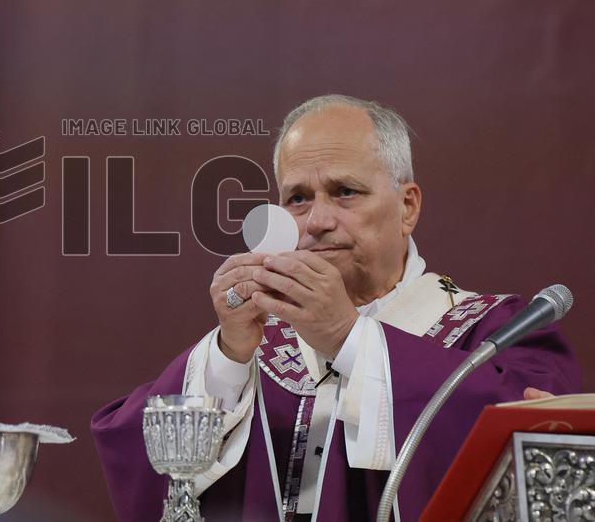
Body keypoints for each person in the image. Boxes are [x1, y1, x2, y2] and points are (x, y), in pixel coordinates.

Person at [92, 94, 580, 521]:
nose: (318, 221)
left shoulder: (497, 331)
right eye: (298, 198)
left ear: (407, 206)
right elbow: (138, 452)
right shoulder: (259, 341)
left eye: (346, 192)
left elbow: (540, 454)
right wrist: (228, 356)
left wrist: (348, 338)